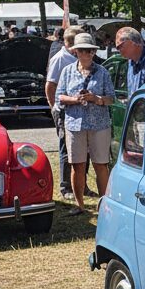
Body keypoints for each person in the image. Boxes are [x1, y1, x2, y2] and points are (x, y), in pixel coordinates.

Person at [55, 33, 114, 214]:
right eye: (82, 50)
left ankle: (104, 204)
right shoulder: (67, 71)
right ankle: (79, 205)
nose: (86, 54)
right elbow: (60, 96)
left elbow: (111, 98)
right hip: (75, 124)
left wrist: (96, 98)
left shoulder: (103, 72)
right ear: (76, 52)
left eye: (90, 51)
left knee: (100, 165)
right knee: (77, 165)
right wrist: (74, 99)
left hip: (99, 125)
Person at [46, 26, 81, 200]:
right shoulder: (60, 59)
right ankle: (65, 186)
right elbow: (50, 86)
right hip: (63, 111)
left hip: (79, 110)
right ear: (70, 43)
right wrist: (54, 108)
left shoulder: (77, 58)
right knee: (65, 148)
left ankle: (81, 184)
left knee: (81, 149)